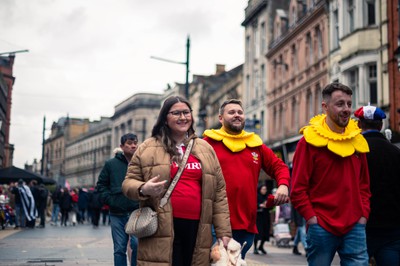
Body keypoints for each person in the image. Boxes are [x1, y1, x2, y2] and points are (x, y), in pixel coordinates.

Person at [122, 96, 232, 266]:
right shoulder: (147, 147)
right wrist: (144, 188)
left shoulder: (205, 148)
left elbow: (219, 194)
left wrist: (224, 232)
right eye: (176, 113)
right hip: (161, 226)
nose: (183, 117)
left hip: (198, 227)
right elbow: (128, 183)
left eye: (186, 112)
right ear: (165, 118)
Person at [290, 82, 371, 266]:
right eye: (340, 104)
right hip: (321, 226)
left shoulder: (357, 141)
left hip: (354, 226)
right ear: (325, 107)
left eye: (349, 104)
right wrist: (312, 218)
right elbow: (298, 189)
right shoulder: (307, 143)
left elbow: (364, 185)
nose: (346, 109)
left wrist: (363, 215)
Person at [203, 98, 290, 259]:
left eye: (240, 112)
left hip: (246, 223)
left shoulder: (256, 145)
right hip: (215, 223)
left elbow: (280, 167)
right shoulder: (207, 143)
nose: (237, 115)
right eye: (231, 112)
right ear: (220, 118)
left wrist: (283, 185)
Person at [354, 105, 400, 266]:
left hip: (362, 224)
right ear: (381, 125)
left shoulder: (354, 152)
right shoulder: (396, 152)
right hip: (392, 226)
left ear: (359, 125)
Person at [97, 133, 140, 266]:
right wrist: (110, 200)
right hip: (117, 212)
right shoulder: (111, 164)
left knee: (136, 244)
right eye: (129, 143)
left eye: (135, 143)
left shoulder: (141, 162)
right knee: (119, 248)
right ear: (122, 146)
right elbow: (101, 185)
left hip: (136, 211)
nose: (133, 146)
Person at [253, 184, 271, 255]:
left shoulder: (267, 197)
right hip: (259, 217)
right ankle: (255, 247)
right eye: (263, 189)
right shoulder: (257, 196)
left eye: (265, 189)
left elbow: (271, 207)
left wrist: (268, 205)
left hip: (266, 217)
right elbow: (254, 204)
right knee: (258, 232)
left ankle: (261, 246)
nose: (264, 191)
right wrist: (259, 205)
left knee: (265, 232)